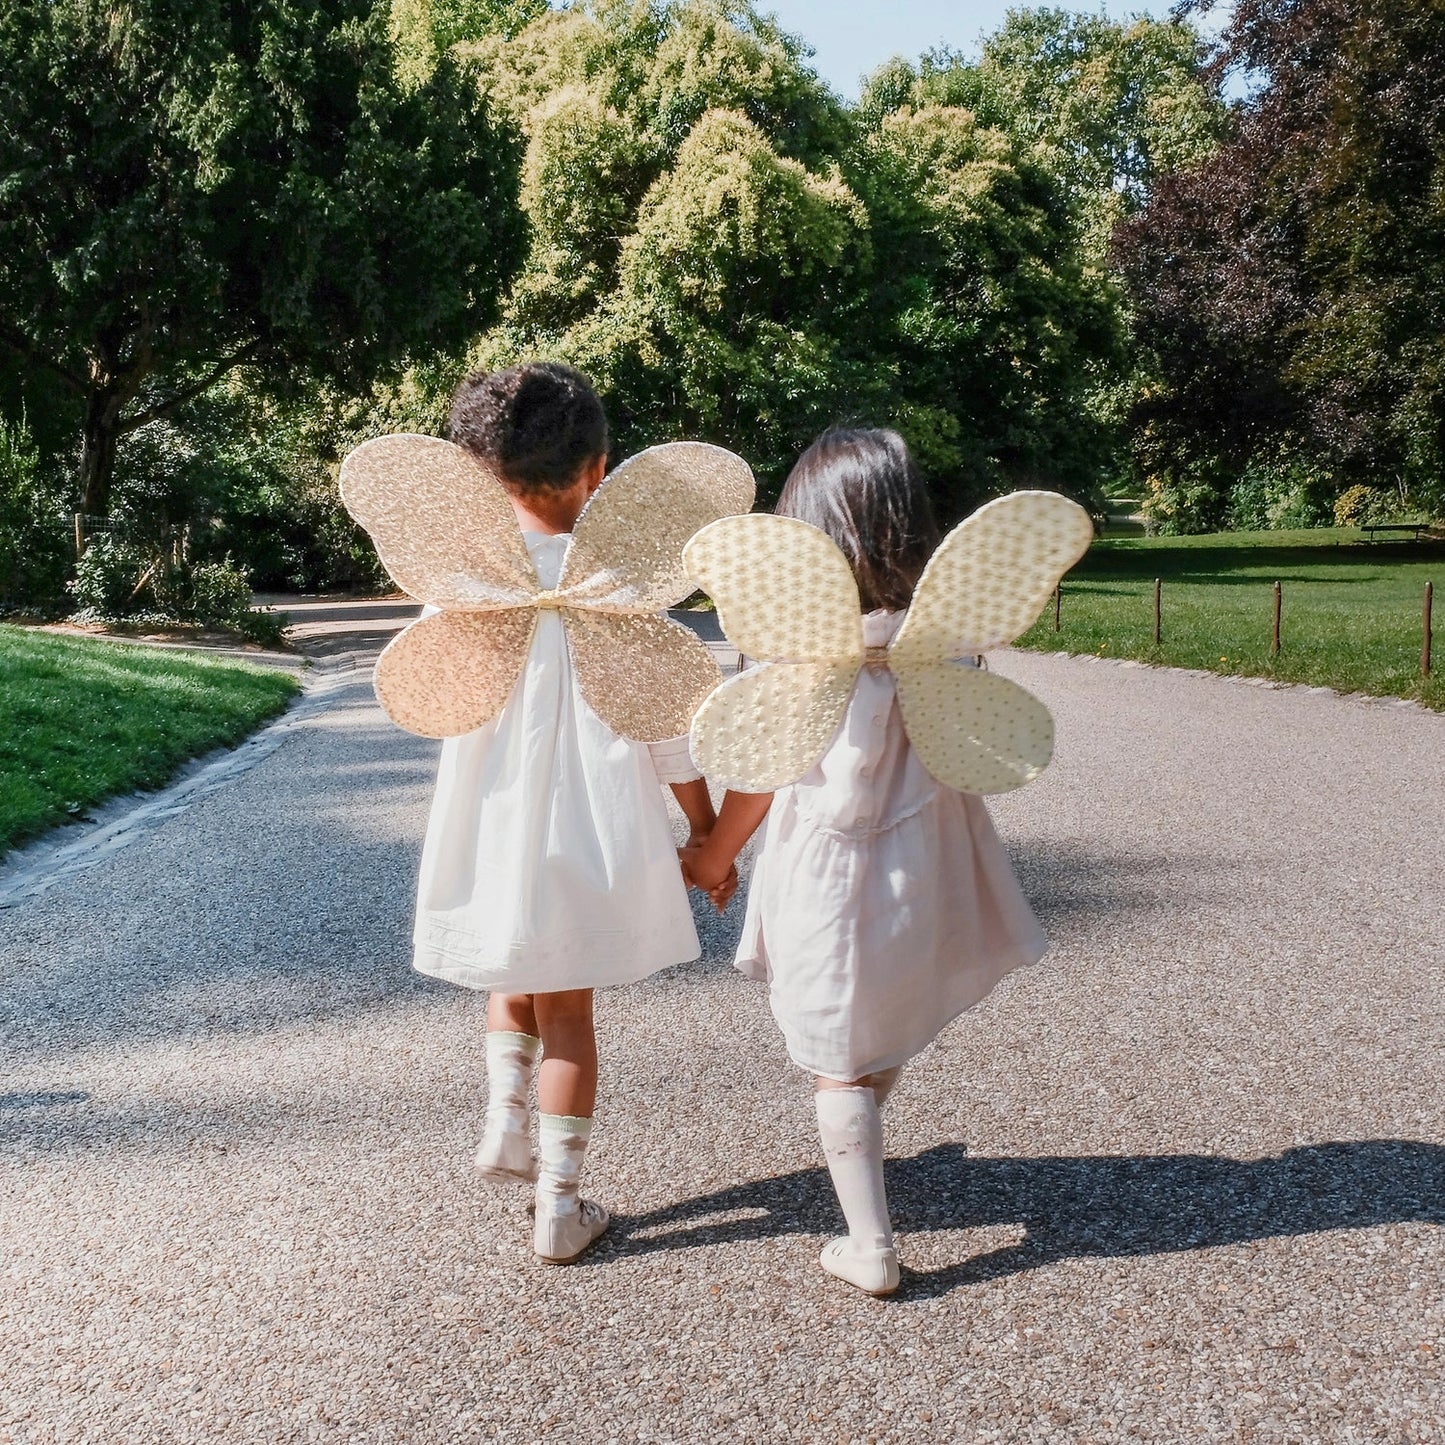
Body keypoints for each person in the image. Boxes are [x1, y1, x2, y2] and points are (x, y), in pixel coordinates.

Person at [682, 427, 1049, 1295]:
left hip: (822, 874)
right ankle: (859, 1133)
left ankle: (870, 1243)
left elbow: (759, 779)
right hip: (925, 866)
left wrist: (713, 854)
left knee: (836, 1056)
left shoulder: (792, 654)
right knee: (878, 1017)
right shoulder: (943, 641)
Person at [415, 362, 722, 1264]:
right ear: (598, 469)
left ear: (480, 476)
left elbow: (430, 690)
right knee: (568, 1015)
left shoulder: (465, 583)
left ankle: (503, 1122)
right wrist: (703, 828)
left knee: (511, 964)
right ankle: (559, 1206)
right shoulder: (620, 588)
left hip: (494, 815)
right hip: (589, 824)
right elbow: (666, 728)